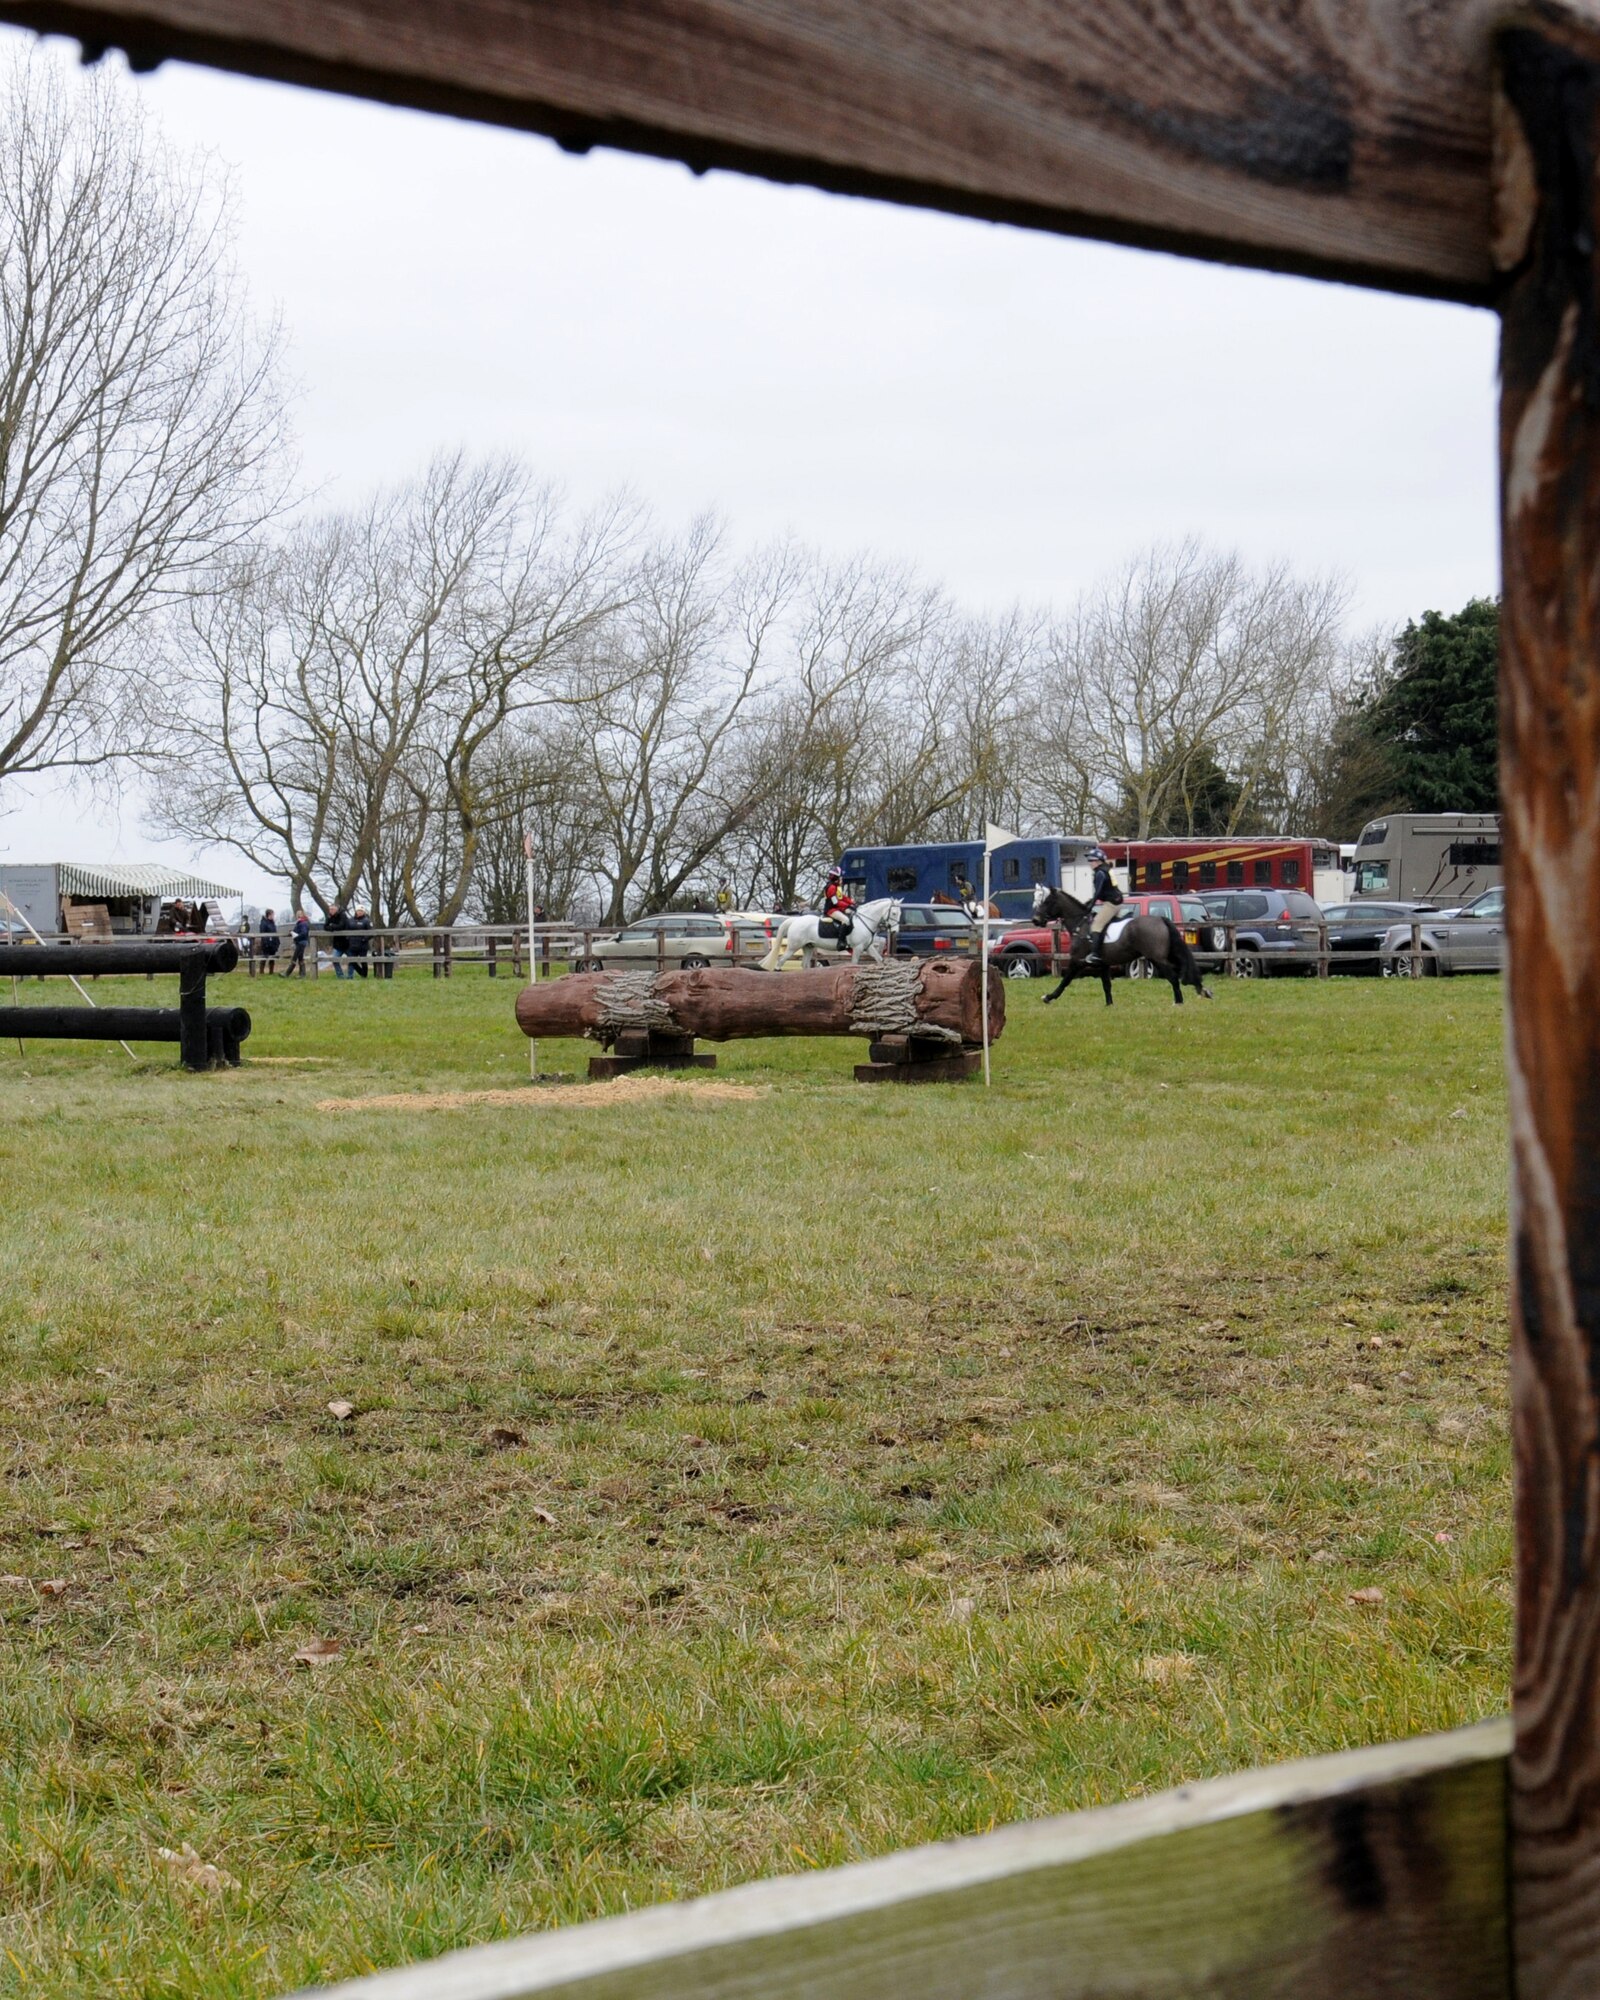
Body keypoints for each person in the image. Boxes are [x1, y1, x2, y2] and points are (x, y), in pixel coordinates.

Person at [1082, 848, 1125, 966]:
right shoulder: (1106, 869)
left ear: (1098, 861)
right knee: (1108, 926)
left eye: (1091, 860)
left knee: (1096, 925)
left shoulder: (1100, 873)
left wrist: (1091, 905)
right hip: (1118, 901)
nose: (1090, 863)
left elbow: (1098, 892)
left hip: (1111, 904)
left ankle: (1095, 954)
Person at [820, 864, 855, 951]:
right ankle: (841, 942)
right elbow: (836, 902)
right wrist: (848, 905)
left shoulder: (837, 887)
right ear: (836, 878)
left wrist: (851, 901)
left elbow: (842, 897)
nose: (841, 879)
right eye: (840, 877)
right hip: (831, 910)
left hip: (837, 908)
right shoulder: (831, 887)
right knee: (845, 920)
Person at [348, 906, 372, 978]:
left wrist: (364, 939)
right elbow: (347, 930)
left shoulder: (366, 921)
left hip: (362, 945)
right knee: (352, 961)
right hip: (352, 944)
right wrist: (348, 938)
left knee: (363, 961)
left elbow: (371, 932)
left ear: (364, 912)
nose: (360, 912)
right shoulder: (350, 920)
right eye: (358, 910)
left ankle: (364, 975)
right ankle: (361, 972)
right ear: (356, 911)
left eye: (361, 911)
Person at [327, 900, 349, 977]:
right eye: (330, 909)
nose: (330, 911)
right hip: (337, 944)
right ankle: (340, 975)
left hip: (347, 942)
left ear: (336, 909)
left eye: (332, 909)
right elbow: (325, 927)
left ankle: (350, 975)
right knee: (335, 959)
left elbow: (341, 926)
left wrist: (332, 926)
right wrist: (333, 927)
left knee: (353, 960)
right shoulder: (330, 916)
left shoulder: (343, 915)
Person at [285, 909, 310, 977]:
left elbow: (303, 933)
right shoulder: (301, 923)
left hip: (301, 942)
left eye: (300, 915)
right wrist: (292, 932)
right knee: (300, 958)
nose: (298, 916)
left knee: (294, 958)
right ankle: (302, 974)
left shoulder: (303, 923)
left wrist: (296, 936)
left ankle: (287, 973)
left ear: (303, 915)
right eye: (297, 915)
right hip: (301, 942)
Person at [258, 908, 280, 973]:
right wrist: (265, 942)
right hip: (266, 943)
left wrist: (277, 941)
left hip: (273, 943)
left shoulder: (272, 923)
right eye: (272, 914)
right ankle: (261, 971)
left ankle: (271, 972)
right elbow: (262, 933)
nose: (273, 916)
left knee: (272, 958)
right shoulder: (264, 923)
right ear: (269, 915)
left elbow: (274, 932)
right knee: (264, 957)